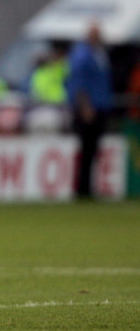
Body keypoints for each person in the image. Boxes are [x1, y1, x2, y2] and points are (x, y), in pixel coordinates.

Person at [66, 23, 113, 199]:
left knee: (92, 151)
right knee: (86, 150)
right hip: (89, 108)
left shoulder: (98, 53)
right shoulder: (83, 54)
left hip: (100, 106)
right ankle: (82, 190)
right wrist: (85, 106)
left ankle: (88, 188)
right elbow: (79, 82)